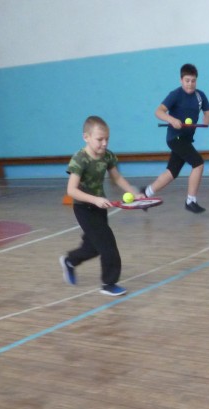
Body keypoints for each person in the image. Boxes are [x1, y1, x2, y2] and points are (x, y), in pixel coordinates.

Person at [60, 115, 143, 296]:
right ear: (86, 137)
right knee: (108, 245)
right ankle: (109, 284)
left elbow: (117, 178)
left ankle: (70, 261)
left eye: (107, 139)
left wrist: (134, 192)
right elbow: (71, 190)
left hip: (100, 208)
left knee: (93, 247)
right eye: (99, 139)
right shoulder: (80, 159)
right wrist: (95, 199)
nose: (104, 143)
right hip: (84, 208)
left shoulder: (108, 156)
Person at [145, 63, 209, 214]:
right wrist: (171, 120)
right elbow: (158, 111)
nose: (190, 84)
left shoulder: (200, 96)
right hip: (175, 138)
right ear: (181, 80)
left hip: (186, 139)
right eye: (187, 80)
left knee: (172, 172)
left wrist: (208, 119)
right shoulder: (175, 94)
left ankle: (146, 193)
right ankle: (190, 201)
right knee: (198, 163)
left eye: (193, 81)